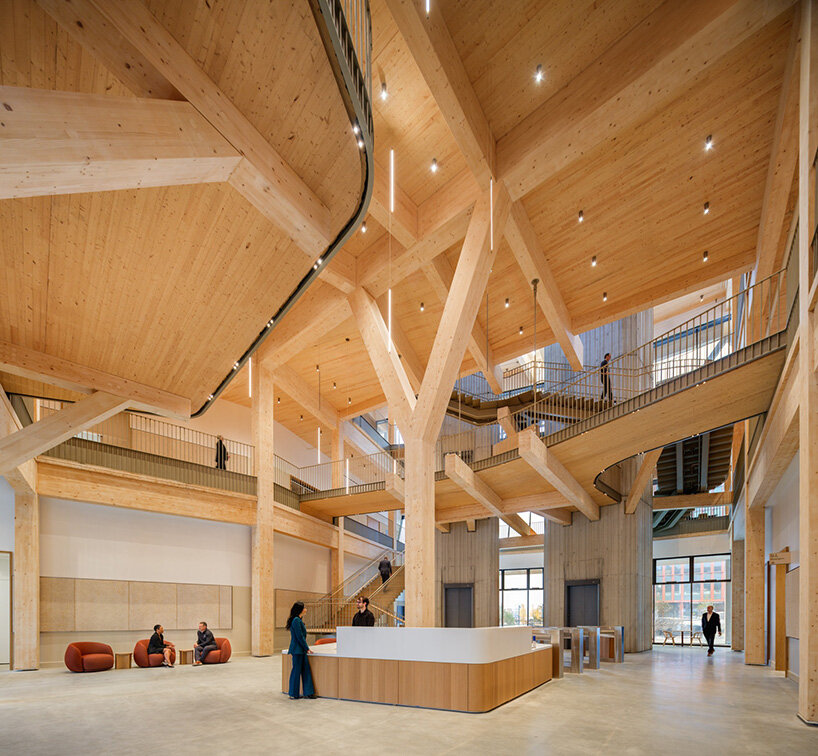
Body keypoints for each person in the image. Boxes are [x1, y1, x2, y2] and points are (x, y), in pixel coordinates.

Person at [286, 602, 316, 699]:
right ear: (300, 609)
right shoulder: (296, 620)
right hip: (297, 650)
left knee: (305, 670)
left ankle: (308, 692)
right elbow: (300, 637)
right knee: (296, 671)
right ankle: (293, 693)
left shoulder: (298, 620)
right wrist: (307, 648)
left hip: (301, 650)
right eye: (304, 608)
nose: (306, 609)